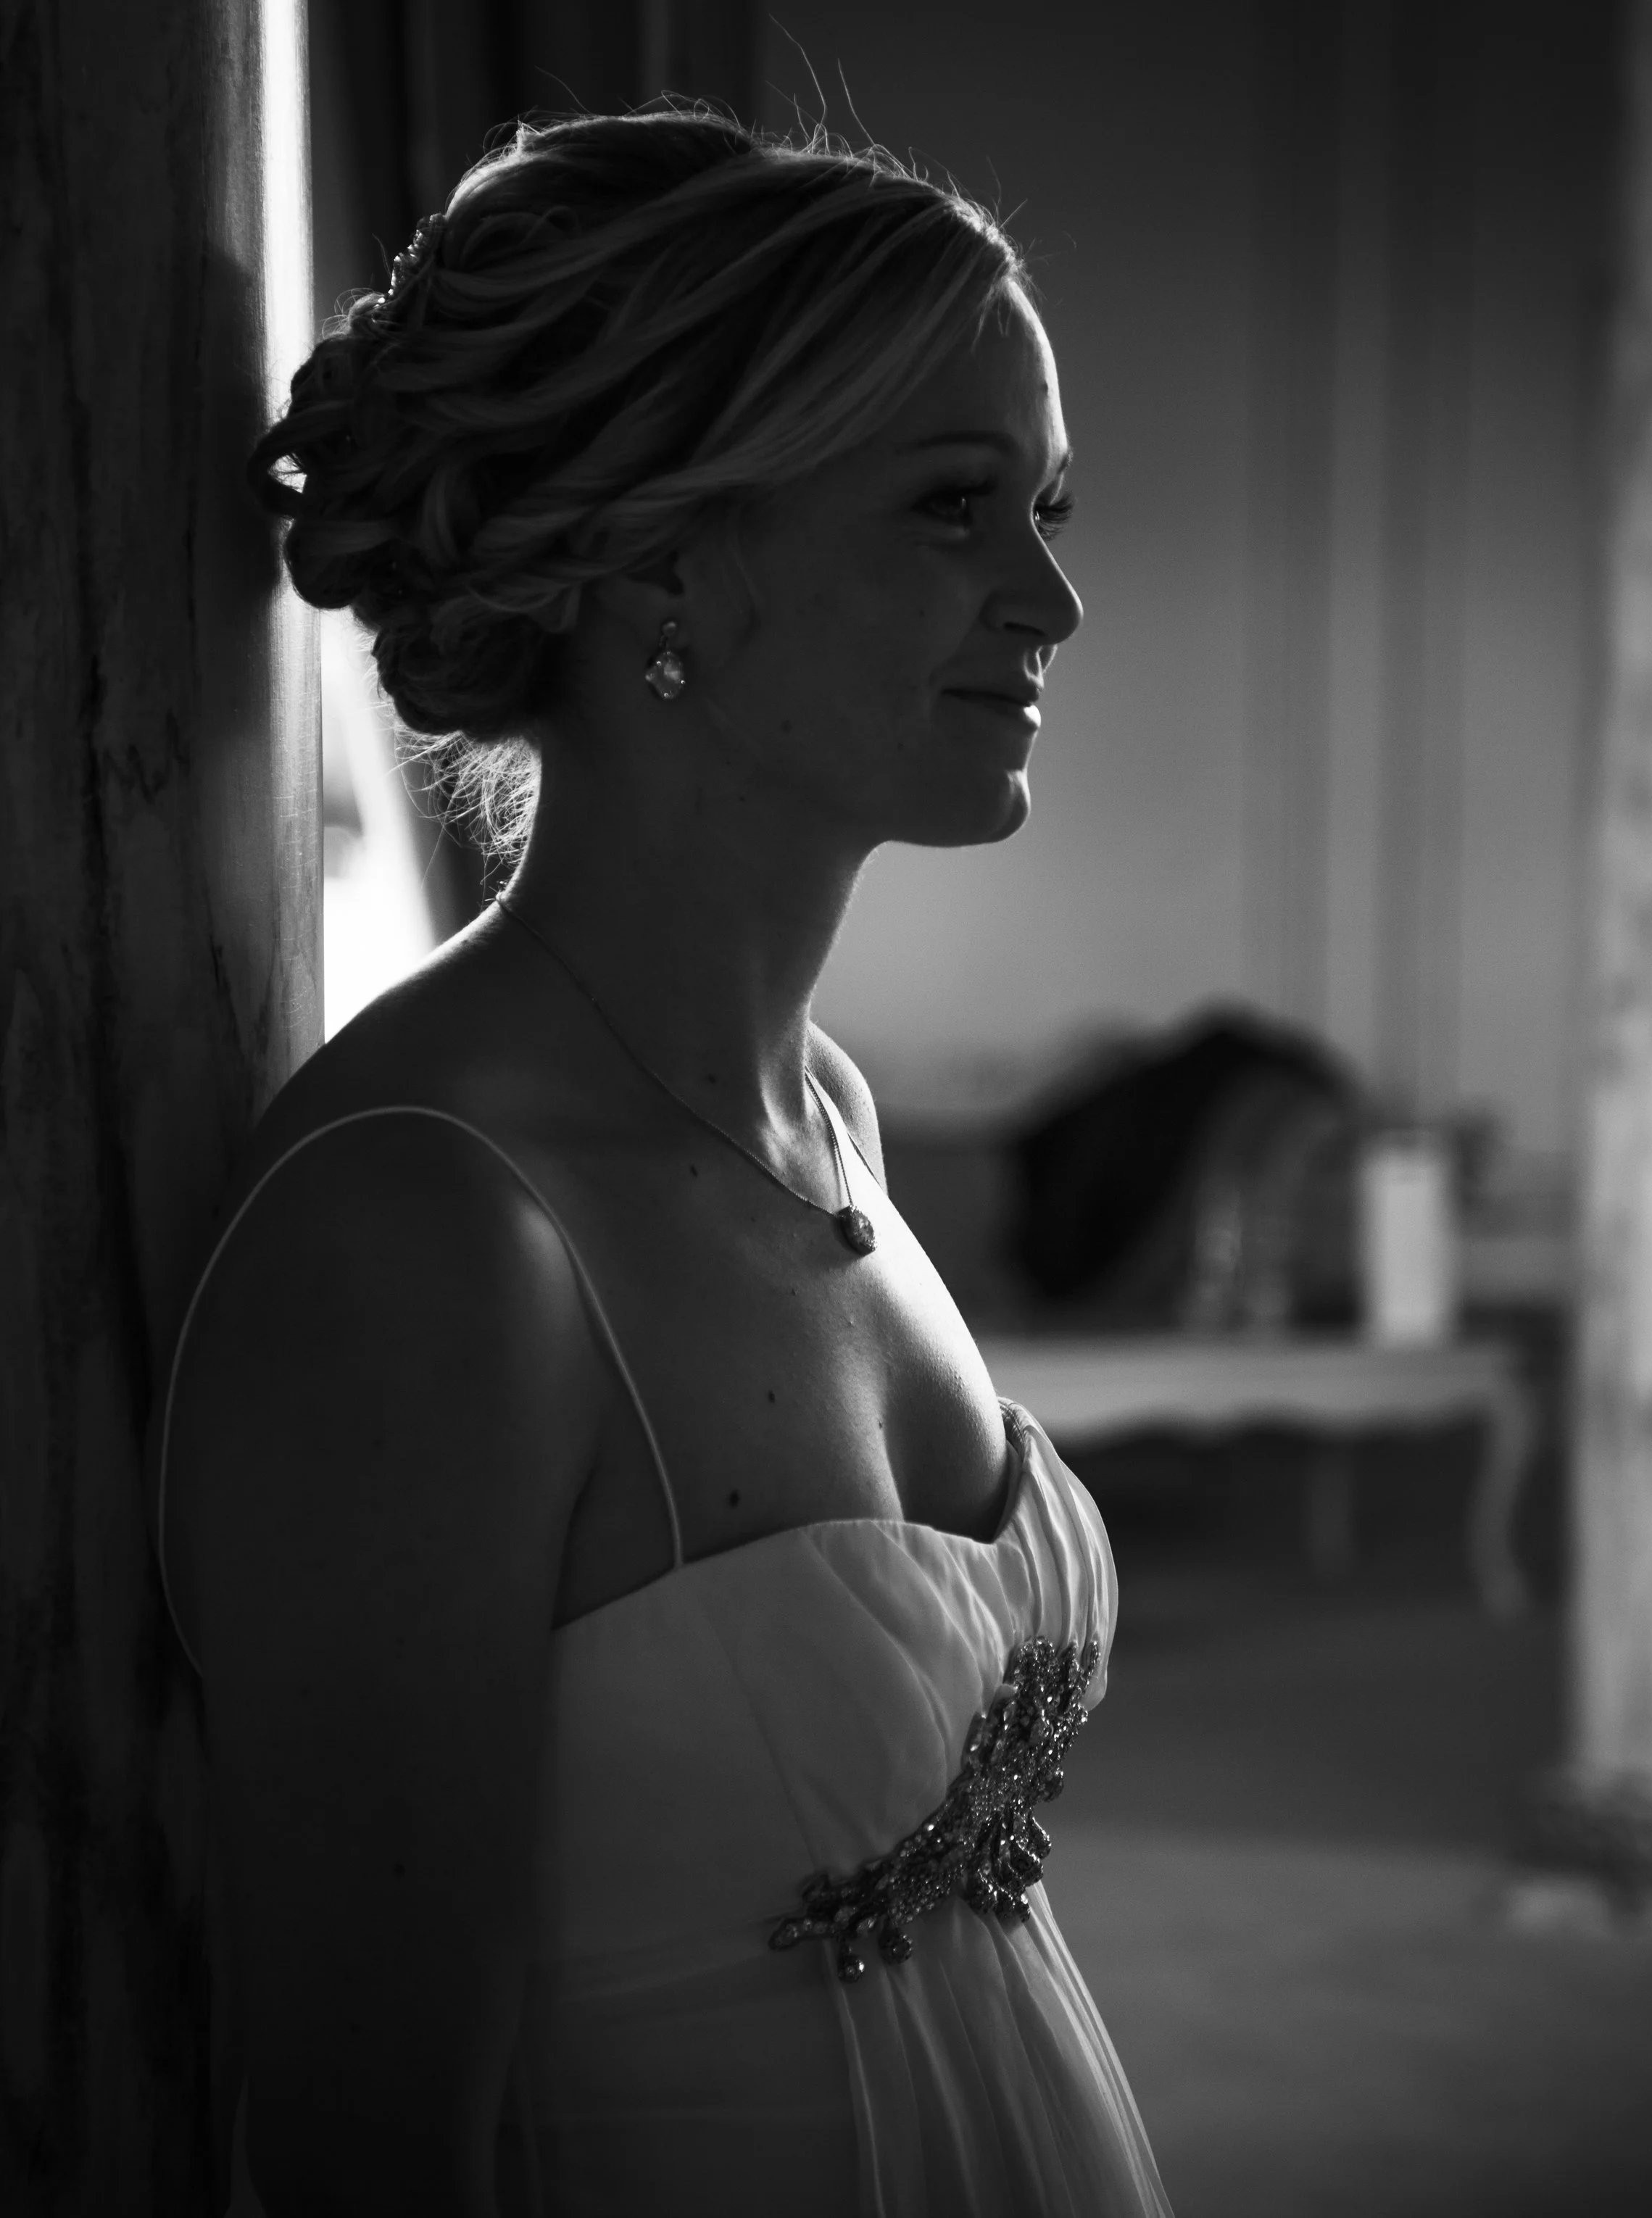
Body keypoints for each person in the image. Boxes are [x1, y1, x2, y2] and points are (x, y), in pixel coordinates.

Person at [157, 108, 1173, 2218]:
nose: (1053, 597)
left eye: (1043, 506)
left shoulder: (826, 1120)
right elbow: (363, 2138)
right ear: (669, 561)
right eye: (952, 508)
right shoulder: (427, 1234)